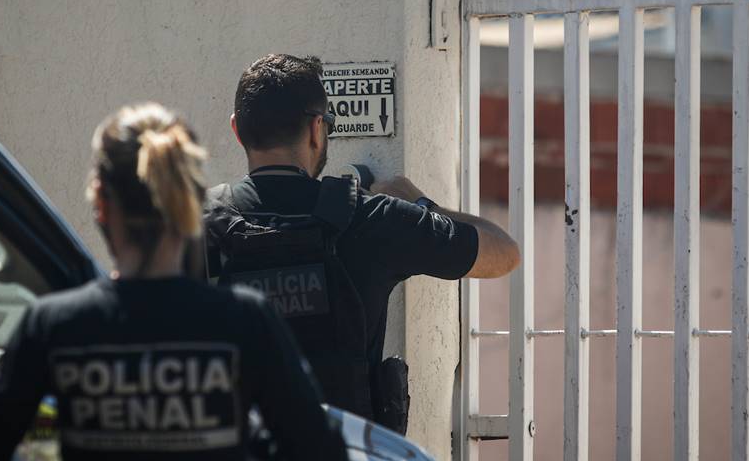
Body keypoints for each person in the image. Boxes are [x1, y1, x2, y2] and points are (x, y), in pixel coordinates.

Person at [0, 102, 348, 461]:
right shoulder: (245, 323)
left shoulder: (56, 326)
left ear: (99, 206)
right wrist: (237, 421)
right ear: (188, 203)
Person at [204, 54, 520, 432]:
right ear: (316, 130)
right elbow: (504, 253)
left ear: (238, 130)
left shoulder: (190, 223)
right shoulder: (372, 218)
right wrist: (420, 203)